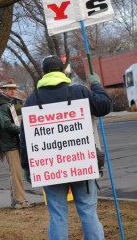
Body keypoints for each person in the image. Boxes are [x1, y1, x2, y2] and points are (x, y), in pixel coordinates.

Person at [20, 55, 112, 239]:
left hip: (49, 167)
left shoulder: (32, 100)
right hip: (81, 163)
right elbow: (104, 106)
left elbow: (25, 138)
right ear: (63, 71)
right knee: (88, 212)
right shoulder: (78, 91)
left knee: (58, 216)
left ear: (44, 73)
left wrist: (26, 166)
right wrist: (95, 85)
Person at [0, 78, 36, 210]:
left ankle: (16, 201)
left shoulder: (4, 104)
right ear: (3, 90)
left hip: (10, 143)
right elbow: (6, 125)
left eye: (14, 88)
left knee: (14, 173)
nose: (13, 91)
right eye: (10, 89)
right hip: (10, 144)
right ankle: (20, 201)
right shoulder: (3, 106)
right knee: (16, 173)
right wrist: (23, 129)